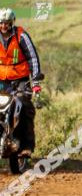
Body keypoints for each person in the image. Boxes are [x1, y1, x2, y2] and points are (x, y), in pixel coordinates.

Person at [0, 8, 42, 156]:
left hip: (20, 81)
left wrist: (35, 81)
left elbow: (33, 58)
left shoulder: (21, 36)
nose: (3, 26)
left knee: (24, 106)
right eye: (1, 23)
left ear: (12, 23)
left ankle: (26, 146)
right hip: (1, 81)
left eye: (6, 23)